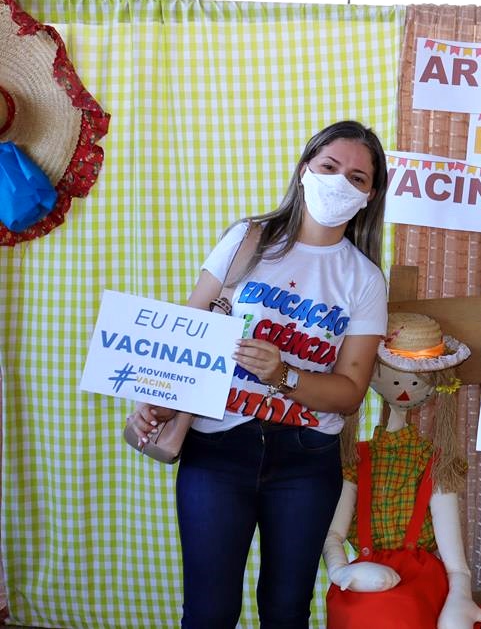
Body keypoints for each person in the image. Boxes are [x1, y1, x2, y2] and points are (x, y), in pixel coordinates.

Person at [128, 120, 389, 628]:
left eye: (357, 178)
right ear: (304, 170)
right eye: (329, 167)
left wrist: (284, 374)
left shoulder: (365, 279)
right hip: (218, 450)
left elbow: (350, 392)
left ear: (369, 195)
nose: (340, 182)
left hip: (306, 460)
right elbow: (184, 336)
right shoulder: (248, 240)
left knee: (287, 613)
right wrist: (155, 397)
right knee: (208, 612)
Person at [322, 312, 481, 629]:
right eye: (396, 378)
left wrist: (460, 595)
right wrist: (340, 570)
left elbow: (454, 560)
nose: (403, 390)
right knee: (354, 613)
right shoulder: (356, 459)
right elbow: (333, 534)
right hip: (362, 573)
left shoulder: (435, 461)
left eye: (416, 381)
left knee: (402, 612)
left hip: (419, 578)